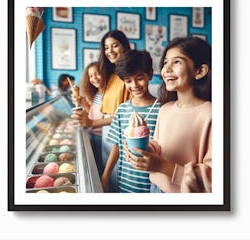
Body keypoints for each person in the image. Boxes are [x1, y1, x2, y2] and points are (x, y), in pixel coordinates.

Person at [125, 37, 212, 193]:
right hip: (155, 188)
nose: (167, 69)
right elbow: (159, 146)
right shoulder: (165, 109)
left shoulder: (211, 115)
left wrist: (163, 167)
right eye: (165, 62)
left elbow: (214, 179)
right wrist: (144, 150)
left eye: (177, 62)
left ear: (200, 71)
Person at [72, 30, 132, 192]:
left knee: (116, 185)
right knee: (110, 185)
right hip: (108, 136)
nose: (110, 51)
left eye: (115, 46)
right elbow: (106, 112)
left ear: (125, 46)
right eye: (106, 47)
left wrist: (91, 122)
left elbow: (124, 117)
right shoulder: (111, 76)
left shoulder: (127, 77)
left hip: (120, 140)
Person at [101, 50, 161, 193]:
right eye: (128, 81)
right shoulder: (122, 110)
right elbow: (117, 146)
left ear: (150, 74)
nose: (134, 85)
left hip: (153, 185)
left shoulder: (162, 109)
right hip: (125, 183)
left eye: (139, 78)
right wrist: (105, 175)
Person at [80, 61, 105, 176]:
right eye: (90, 76)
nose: (94, 78)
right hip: (92, 134)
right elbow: (93, 112)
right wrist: (84, 103)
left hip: (103, 137)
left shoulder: (107, 93)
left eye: (97, 73)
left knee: (101, 168)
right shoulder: (96, 94)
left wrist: (90, 122)